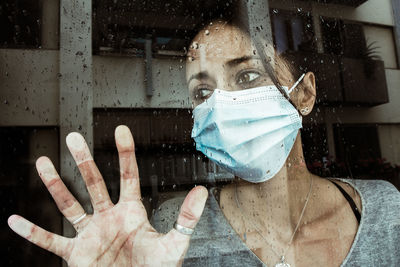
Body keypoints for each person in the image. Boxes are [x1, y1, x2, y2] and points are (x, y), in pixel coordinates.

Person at [7, 19, 400, 267]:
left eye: (246, 77)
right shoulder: (174, 229)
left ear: (304, 94)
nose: (223, 106)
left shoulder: (386, 211)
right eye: (203, 92)